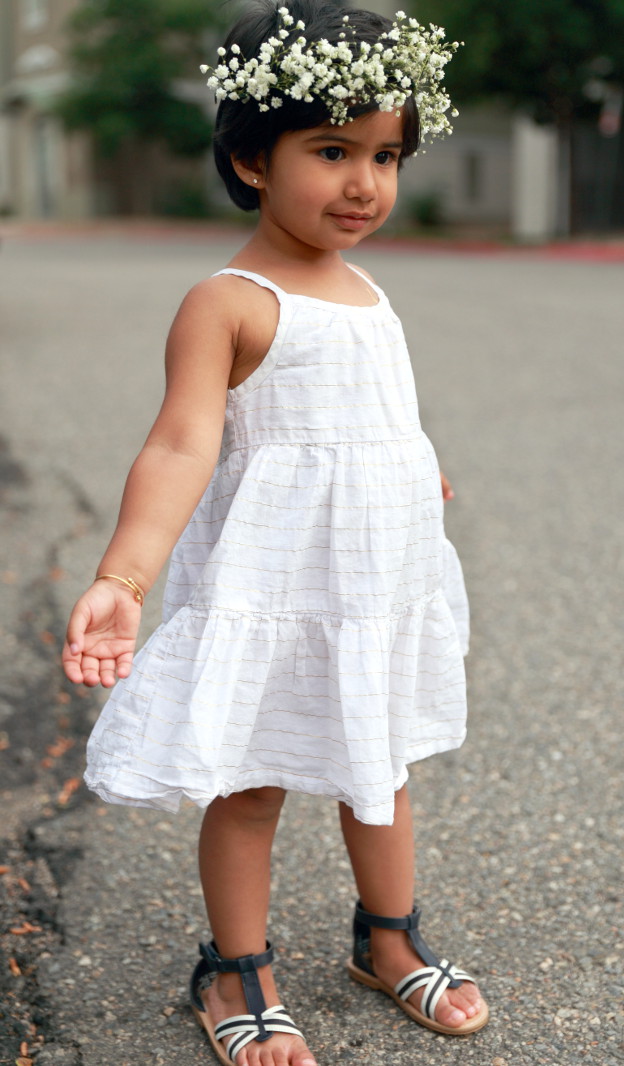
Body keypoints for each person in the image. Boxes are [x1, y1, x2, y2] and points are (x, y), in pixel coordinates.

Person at [62, 3, 488, 1063]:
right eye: (332, 151)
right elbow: (179, 445)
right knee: (251, 782)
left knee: (377, 762)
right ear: (252, 158)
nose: (365, 185)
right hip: (274, 586)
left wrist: (409, 462)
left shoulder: (368, 294)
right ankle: (235, 966)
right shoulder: (231, 301)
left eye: (386, 156)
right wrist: (125, 571)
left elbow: (374, 413)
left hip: (369, 587)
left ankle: (388, 939)